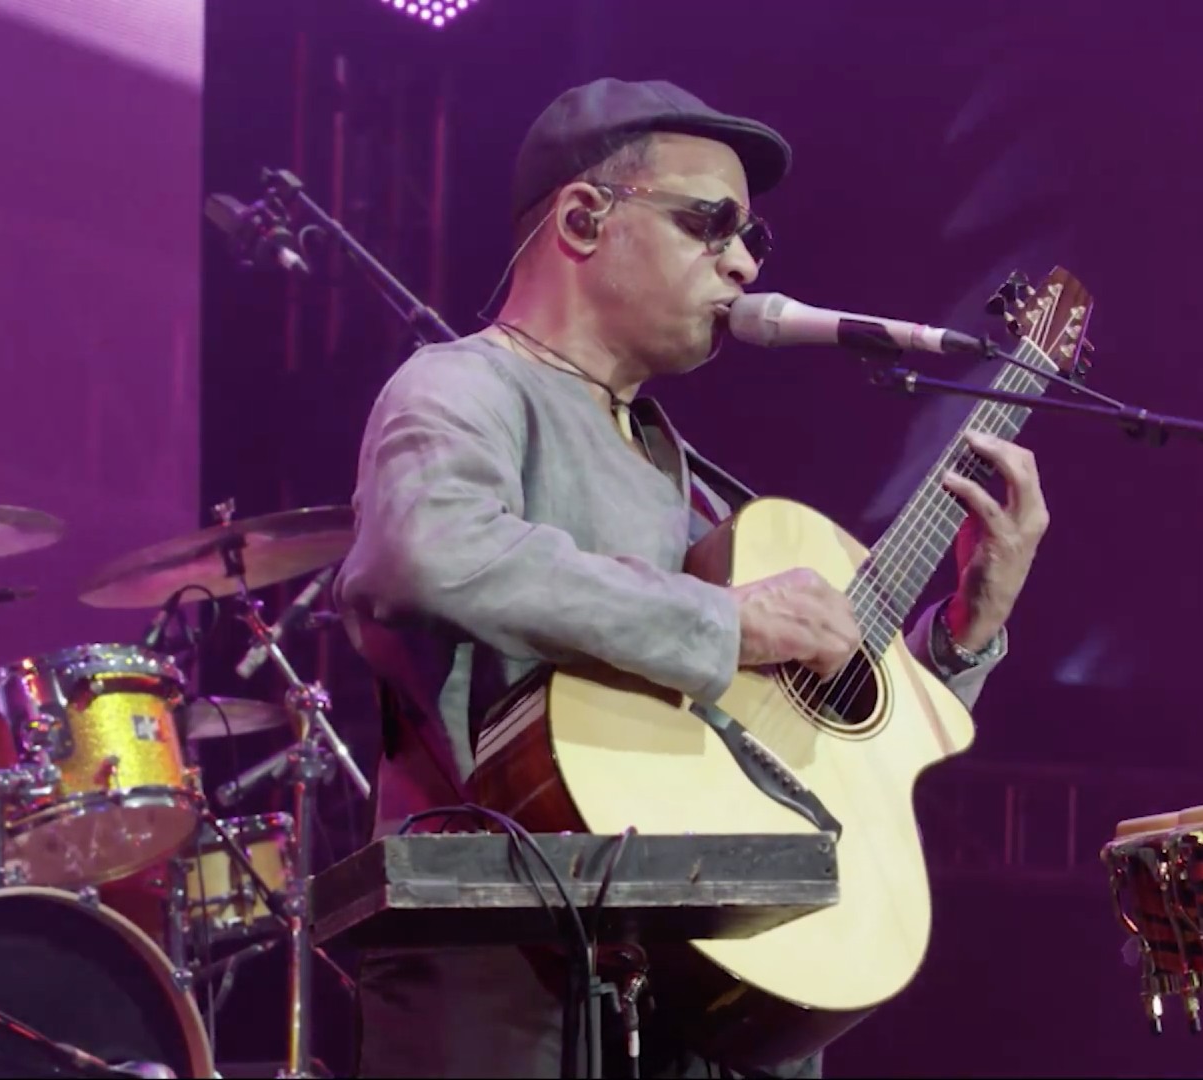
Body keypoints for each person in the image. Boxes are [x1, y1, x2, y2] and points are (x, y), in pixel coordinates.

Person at [333, 77, 1051, 1079]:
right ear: (583, 220)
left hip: (695, 957)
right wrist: (726, 623)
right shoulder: (465, 384)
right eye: (711, 224)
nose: (746, 262)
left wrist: (969, 628)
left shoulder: (697, 486)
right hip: (504, 952)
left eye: (755, 238)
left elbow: (825, 733)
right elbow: (431, 551)